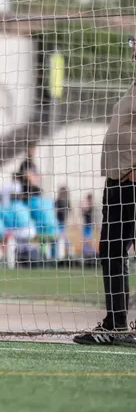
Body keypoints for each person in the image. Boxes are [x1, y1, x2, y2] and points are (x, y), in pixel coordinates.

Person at [74, 39, 136, 344]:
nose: (133, 48)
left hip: (131, 182)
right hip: (117, 181)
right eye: (133, 43)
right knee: (110, 251)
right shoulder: (133, 87)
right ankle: (115, 324)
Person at [81, 192, 96, 260]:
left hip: (89, 225)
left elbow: (86, 212)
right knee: (86, 239)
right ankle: (87, 253)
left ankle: (91, 253)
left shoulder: (91, 206)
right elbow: (83, 212)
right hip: (87, 225)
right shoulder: (88, 206)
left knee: (89, 239)